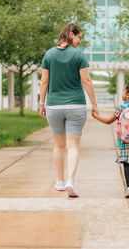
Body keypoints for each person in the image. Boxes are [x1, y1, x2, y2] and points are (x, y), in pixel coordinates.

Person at [39, 23, 98, 197]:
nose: (80, 42)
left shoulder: (49, 54)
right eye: (79, 37)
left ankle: (59, 181)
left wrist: (42, 103)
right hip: (76, 106)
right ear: (72, 33)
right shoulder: (78, 55)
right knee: (73, 146)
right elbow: (87, 81)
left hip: (54, 105)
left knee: (58, 145)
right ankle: (71, 181)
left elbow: (44, 82)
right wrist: (94, 104)